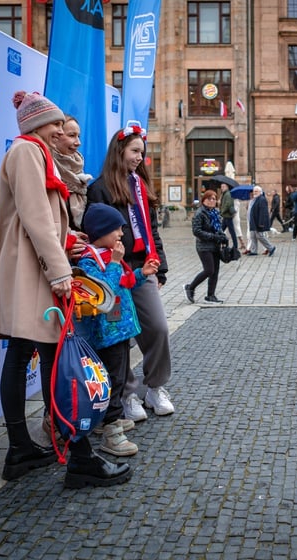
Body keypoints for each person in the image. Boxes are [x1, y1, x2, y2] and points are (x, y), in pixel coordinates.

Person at [0, 91, 131, 487]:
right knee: (53, 357)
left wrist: (71, 242)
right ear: (35, 125)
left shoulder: (31, 151)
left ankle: (22, 449)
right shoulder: (28, 151)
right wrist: (61, 270)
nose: (63, 130)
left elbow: (45, 221)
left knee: (28, 354)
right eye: (56, 125)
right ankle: (77, 457)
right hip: (34, 271)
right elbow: (36, 216)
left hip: (31, 267)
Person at [86, 123, 175, 422]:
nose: (140, 157)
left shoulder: (142, 186)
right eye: (135, 151)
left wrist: (159, 268)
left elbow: (153, 232)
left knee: (158, 329)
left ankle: (155, 387)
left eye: (143, 152)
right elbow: (94, 233)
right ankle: (126, 394)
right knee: (118, 338)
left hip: (143, 268)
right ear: (119, 150)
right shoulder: (98, 188)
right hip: (113, 275)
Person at [76, 203, 159, 457]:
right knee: (112, 380)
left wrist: (141, 274)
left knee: (120, 376)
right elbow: (104, 293)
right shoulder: (90, 260)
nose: (121, 234)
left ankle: (107, 420)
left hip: (120, 332)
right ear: (101, 231)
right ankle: (111, 429)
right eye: (116, 230)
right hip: (107, 335)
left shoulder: (110, 256)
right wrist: (114, 263)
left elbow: (124, 283)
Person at [184, 189, 227, 303]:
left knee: (215, 271)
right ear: (204, 200)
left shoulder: (216, 213)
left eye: (214, 198)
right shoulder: (199, 213)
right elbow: (196, 231)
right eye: (209, 198)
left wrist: (223, 236)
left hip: (215, 245)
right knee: (209, 270)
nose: (212, 201)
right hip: (204, 246)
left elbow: (219, 228)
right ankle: (190, 287)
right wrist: (213, 236)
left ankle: (210, 295)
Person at [52, 115, 93, 231]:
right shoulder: (46, 168)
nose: (78, 142)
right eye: (71, 135)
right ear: (55, 136)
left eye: (78, 136)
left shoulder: (78, 169)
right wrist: (69, 236)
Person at [247, 186, 277, 255]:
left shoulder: (262, 199)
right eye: (254, 191)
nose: (254, 192)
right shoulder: (256, 199)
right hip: (253, 221)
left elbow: (263, 212)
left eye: (256, 191)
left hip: (258, 222)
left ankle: (271, 248)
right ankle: (254, 251)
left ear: (260, 192)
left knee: (260, 236)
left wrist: (261, 223)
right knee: (253, 236)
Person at [218, 182, 237, 249]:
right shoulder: (224, 194)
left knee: (231, 232)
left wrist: (222, 212)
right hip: (226, 216)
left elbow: (228, 204)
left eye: (223, 186)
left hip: (227, 216)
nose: (221, 188)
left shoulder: (228, 194)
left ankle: (235, 246)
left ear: (227, 187)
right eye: (221, 186)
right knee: (220, 231)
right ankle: (218, 243)